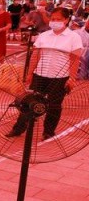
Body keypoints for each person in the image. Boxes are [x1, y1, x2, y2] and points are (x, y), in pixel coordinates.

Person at [6, 8, 82, 140]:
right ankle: (18, 128)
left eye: (58, 19)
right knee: (29, 101)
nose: (55, 21)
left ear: (66, 20)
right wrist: (30, 74)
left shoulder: (74, 37)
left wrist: (71, 78)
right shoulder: (44, 35)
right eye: (53, 19)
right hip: (40, 74)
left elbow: (75, 59)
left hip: (60, 77)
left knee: (54, 106)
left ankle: (48, 132)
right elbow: (35, 55)